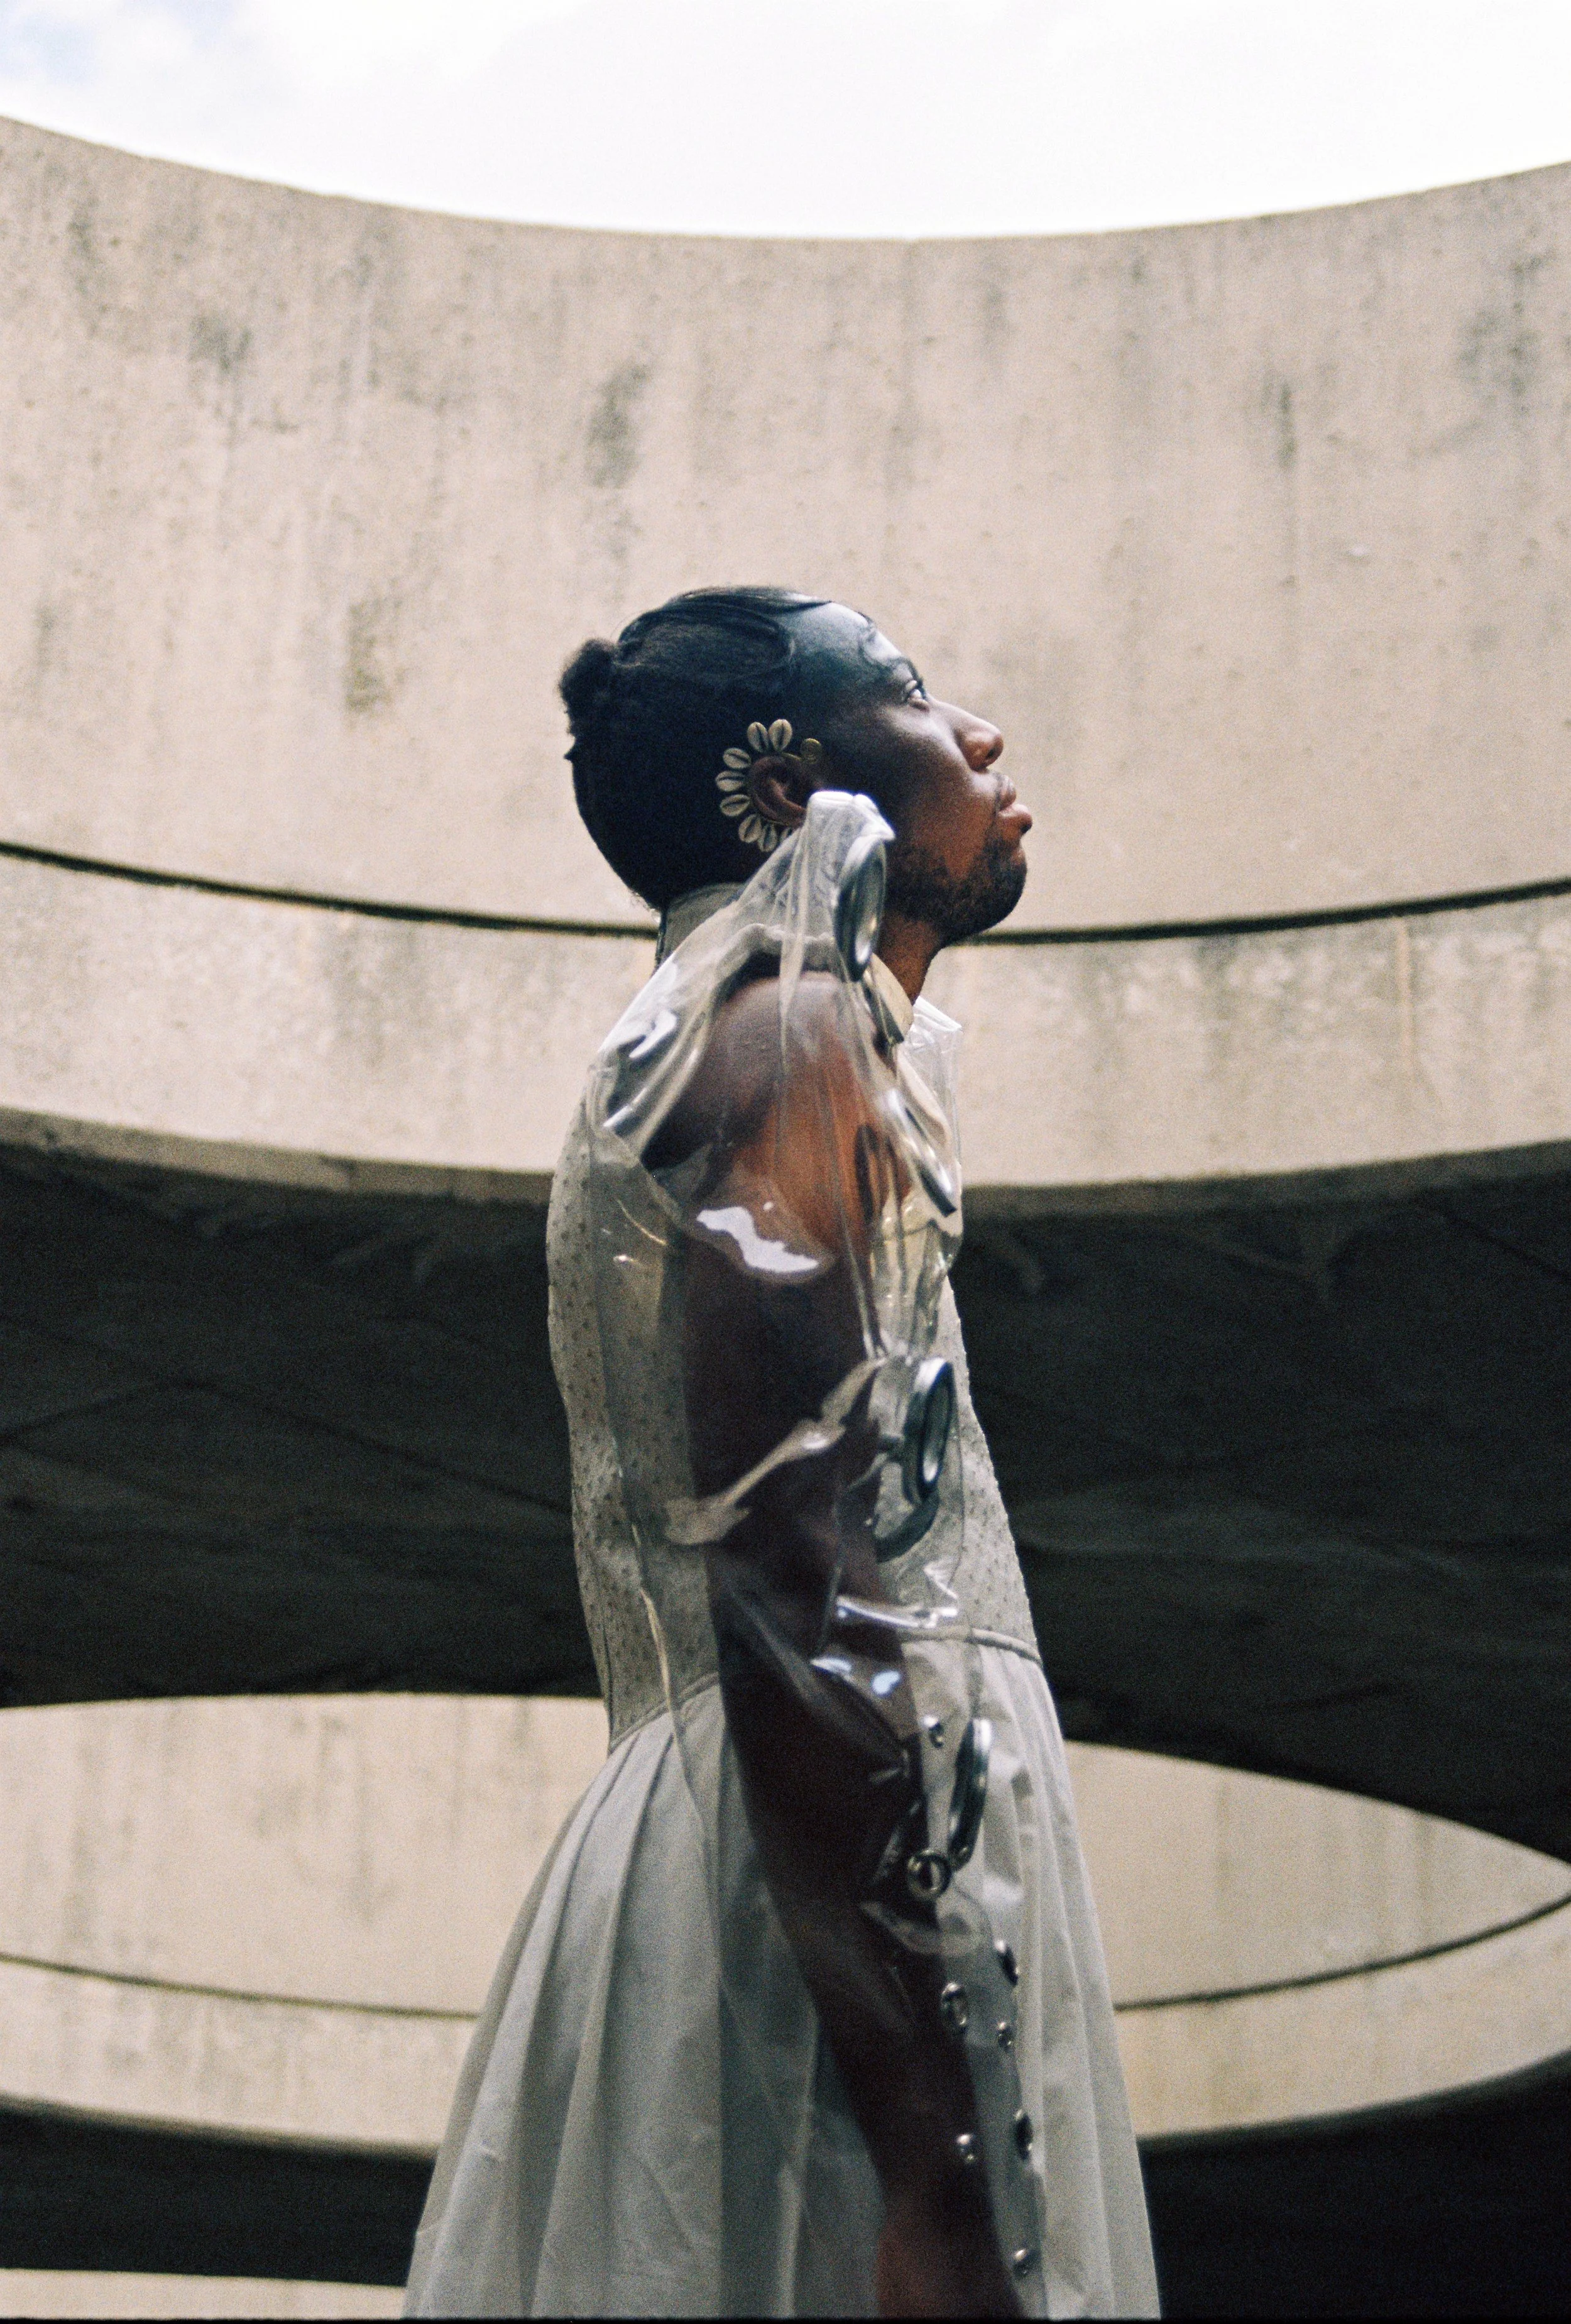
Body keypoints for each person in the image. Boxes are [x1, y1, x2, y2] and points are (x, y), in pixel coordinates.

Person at [404, 589, 1158, 2320]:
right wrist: (940, 2173)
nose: (976, 731)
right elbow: (787, 1587)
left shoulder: (726, 1041)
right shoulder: (781, 1044)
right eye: (907, 691)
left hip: (817, 1848)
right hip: (818, 1897)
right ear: (786, 783)